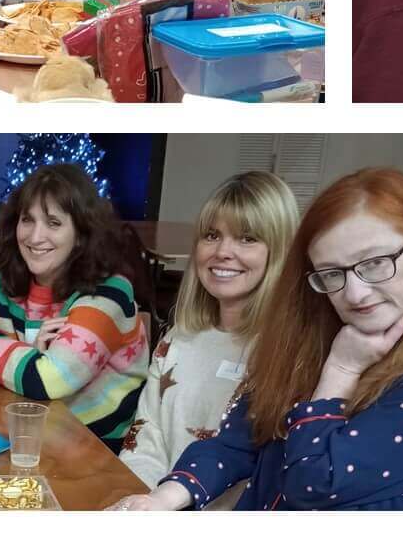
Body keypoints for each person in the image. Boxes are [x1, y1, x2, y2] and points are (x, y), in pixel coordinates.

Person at [108, 168, 403, 510]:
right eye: (332, 273)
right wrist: (161, 499)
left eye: (374, 264)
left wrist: (340, 371)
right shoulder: (311, 335)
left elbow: (315, 483)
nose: (355, 294)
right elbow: (237, 441)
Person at [0, 164, 148, 451]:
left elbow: (50, 381)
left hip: (94, 453)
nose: (35, 237)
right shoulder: (3, 282)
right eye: (27, 220)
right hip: (23, 436)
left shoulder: (108, 293)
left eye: (54, 223)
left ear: (82, 232)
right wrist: (27, 366)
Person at [119, 172, 297, 493]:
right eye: (212, 236)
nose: (223, 252)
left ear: (279, 251)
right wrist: (141, 499)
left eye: (247, 238)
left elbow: (256, 470)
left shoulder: (286, 353)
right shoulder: (180, 336)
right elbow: (147, 433)